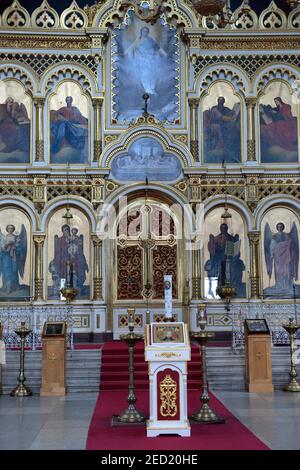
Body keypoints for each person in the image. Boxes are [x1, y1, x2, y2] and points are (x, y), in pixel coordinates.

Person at [205, 223, 245, 298]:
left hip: (230, 259)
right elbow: (213, 251)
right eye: (222, 228)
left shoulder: (231, 238)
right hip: (220, 260)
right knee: (219, 270)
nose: (223, 229)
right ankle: (219, 284)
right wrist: (213, 243)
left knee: (232, 269)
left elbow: (236, 251)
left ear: (227, 228)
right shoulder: (217, 238)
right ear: (220, 229)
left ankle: (233, 284)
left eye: (225, 228)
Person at [264, 222, 299, 294]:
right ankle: (279, 286)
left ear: (283, 227)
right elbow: (272, 246)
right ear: (277, 228)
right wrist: (271, 254)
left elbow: (291, 243)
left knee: (286, 270)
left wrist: (288, 243)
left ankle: (287, 286)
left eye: (281, 227)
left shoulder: (286, 235)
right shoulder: (274, 236)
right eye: (278, 227)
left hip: (286, 257)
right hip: (278, 258)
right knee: (278, 271)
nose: (280, 228)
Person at [204, 97, 241, 163]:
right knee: (218, 128)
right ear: (217, 101)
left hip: (224, 126)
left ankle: (228, 147)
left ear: (224, 102)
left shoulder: (225, 109)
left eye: (222, 100)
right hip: (215, 125)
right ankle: (219, 145)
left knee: (234, 128)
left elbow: (231, 115)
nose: (220, 102)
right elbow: (221, 117)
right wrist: (229, 118)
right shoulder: (214, 108)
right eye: (219, 100)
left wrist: (234, 112)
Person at [0, 224, 27, 294]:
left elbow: (20, 248)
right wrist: (6, 245)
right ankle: (7, 287)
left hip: (14, 257)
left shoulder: (16, 237)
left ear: (13, 229)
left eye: (11, 228)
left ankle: (15, 287)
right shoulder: (4, 238)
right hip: (6, 257)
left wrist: (15, 247)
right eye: (9, 228)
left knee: (14, 271)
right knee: (6, 271)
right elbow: (1, 248)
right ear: (7, 229)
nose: (10, 229)